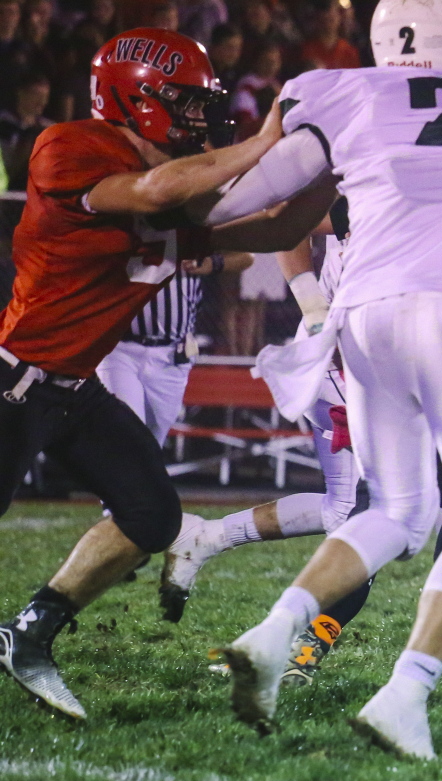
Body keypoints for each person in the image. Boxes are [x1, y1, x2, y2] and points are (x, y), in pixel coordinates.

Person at [198, 0, 442, 759]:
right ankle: (406, 691)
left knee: (394, 508)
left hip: (360, 319)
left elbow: (265, 212)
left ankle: (275, 631)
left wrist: (167, 231)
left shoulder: (343, 93)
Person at [0, 27, 337, 721]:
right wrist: (266, 139)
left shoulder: (178, 190)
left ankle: (29, 634)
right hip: (13, 380)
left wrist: (337, 163)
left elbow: (275, 231)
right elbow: (150, 190)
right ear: (135, 96)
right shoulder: (70, 145)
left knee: (152, 514)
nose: (199, 116)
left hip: (74, 386)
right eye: (183, 101)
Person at [165, 184, 442, 695]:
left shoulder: (435, 190)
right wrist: (315, 306)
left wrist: (179, 233)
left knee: (371, 513)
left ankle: (294, 638)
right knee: (440, 521)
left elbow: (290, 222)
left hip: (424, 368)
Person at [96, 251, 253, 449]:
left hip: (171, 354)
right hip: (120, 349)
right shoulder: (128, 224)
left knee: (152, 444)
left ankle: (139, 478)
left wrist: (211, 263)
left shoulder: (193, 228)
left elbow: (247, 256)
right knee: (126, 434)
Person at [0, 73, 54, 191]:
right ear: (21, 93)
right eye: (37, 95)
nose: (42, 102)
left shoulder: (49, 129)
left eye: (45, 97)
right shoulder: (4, 125)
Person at [297, 0, 361, 72]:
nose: (329, 15)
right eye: (325, 12)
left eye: (331, 19)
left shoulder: (349, 51)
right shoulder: (307, 50)